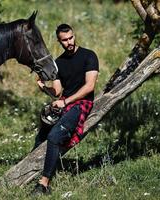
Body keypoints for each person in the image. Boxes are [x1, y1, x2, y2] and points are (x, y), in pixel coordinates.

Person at [32, 23, 99, 195]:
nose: (69, 42)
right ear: (59, 41)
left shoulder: (89, 56)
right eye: (64, 40)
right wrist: (44, 88)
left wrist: (66, 101)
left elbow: (90, 86)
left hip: (81, 103)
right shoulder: (58, 63)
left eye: (71, 38)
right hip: (64, 102)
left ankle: (44, 184)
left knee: (54, 137)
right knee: (40, 138)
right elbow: (57, 91)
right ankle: (29, 173)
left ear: (74, 35)